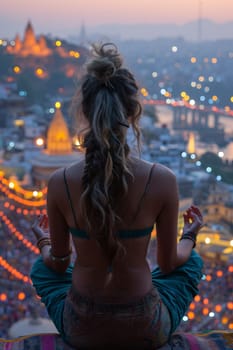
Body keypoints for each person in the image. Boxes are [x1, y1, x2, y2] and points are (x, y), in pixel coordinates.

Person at [30, 43, 204, 349]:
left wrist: (44, 242)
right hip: (146, 327)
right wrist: (189, 236)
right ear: (133, 112)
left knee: (39, 268)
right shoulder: (162, 180)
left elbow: (57, 264)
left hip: (81, 327)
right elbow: (167, 263)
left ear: (83, 112)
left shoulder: (59, 182)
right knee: (193, 263)